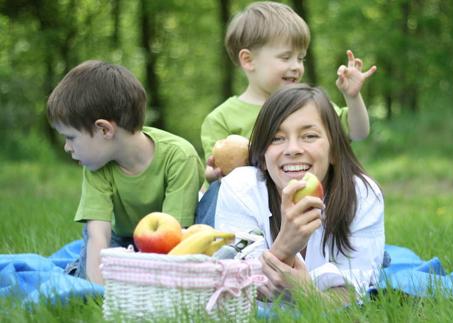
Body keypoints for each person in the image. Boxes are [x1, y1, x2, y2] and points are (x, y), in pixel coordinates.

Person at [214, 84, 385, 300]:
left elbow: (354, 295)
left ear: (333, 151)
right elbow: (241, 289)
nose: (293, 149)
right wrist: (285, 244)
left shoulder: (362, 195)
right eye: (277, 138)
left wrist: (304, 292)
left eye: (309, 136)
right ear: (263, 156)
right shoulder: (239, 188)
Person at [46, 60, 204, 285]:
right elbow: (98, 234)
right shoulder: (97, 165)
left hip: (171, 238)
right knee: (86, 270)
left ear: (104, 129)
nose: (67, 147)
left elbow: (175, 239)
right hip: (119, 240)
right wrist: (95, 292)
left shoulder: (179, 157)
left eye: (70, 137)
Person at [200, 1, 377, 184]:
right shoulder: (221, 119)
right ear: (248, 60)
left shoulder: (311, 105)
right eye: (286, 57)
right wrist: (215, 176)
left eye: (300, 58)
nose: (296, 66)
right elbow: (217, 172)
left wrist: (353, 97)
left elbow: (358, 132)